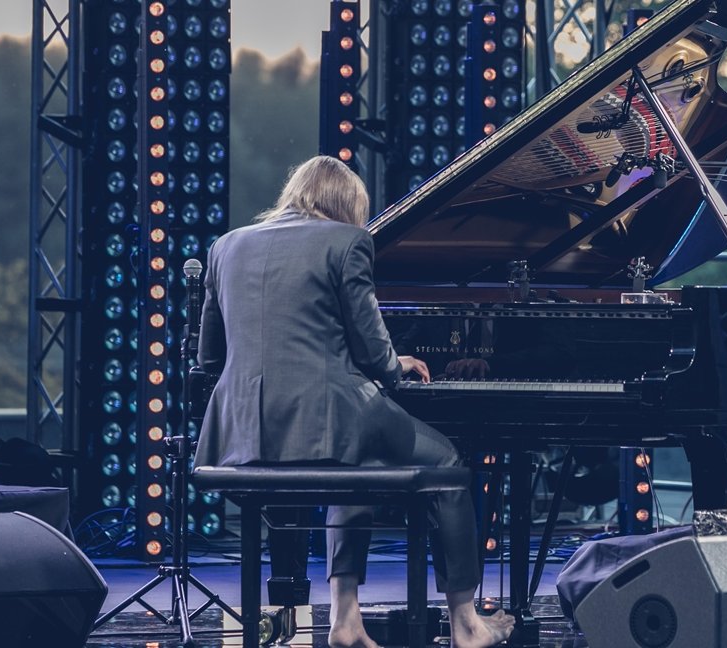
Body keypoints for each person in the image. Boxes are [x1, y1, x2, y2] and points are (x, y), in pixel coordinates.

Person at [193, 155, 514, 648]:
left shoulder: (225, 246)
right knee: (448, 462)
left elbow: (209, 359)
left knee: (352, 464)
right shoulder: (347, 242)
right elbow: (373, 350)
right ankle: (468, 624)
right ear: (347, 205)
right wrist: (398, 365)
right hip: (329, 416)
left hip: (239, 433)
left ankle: (346, 623)